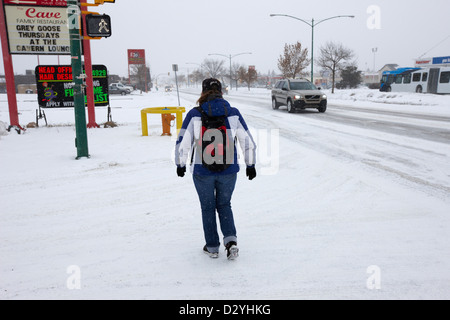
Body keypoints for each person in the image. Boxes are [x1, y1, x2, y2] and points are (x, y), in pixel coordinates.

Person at [175, 78, 257, 260]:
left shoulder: (194, 114)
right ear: (221, 91)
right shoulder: (233, 113)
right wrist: (250, 165)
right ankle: (231, 242)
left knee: (207, 207)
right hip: (228, 170)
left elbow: (183, 142)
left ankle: (212, 247)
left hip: (202, 171)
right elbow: (247, 142)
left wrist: (180, 164)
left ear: (203, 92)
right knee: (224, 204)